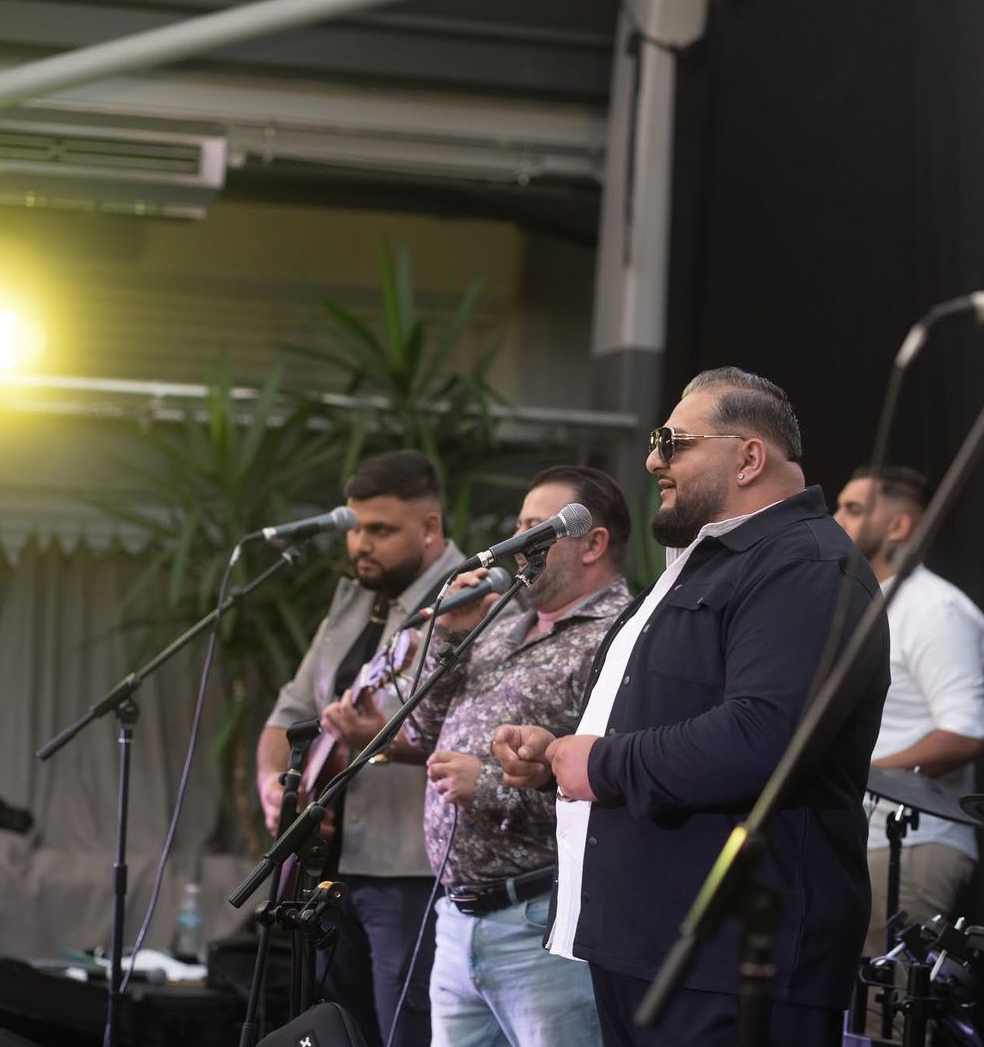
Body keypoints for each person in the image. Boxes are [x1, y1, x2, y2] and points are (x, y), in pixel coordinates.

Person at [492, 367, 890, 1047]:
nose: (653, 460)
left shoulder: (807, 564)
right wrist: (559, 749)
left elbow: (763, 736)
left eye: (673, 442)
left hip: (732, 969)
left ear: (748, 458)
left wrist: (602, 764)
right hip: (648, 949)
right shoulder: (705, 562)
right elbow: (666, 714)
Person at [398, 466, 631, 1047]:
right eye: (519, 526)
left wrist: (489, 786)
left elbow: (618, 787)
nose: (518, 543)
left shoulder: (618, 637)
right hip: (458, 916)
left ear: (593, 544)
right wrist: (452, 634)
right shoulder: (502, 625)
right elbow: (420, 729)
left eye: (537, 530)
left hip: (539, 921)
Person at [257, 450, 464, 1046]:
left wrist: (379, 738)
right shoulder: (353, 599)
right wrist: (272, 783)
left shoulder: (472, 600)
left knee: (403, 1032)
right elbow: (291, 710)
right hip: (329, 865)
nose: (361, 545)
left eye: (381, 530)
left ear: (429, 527)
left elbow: (475, 732)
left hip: (410, 869)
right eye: (354, 528)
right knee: (332, 1031)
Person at [833, 466, 984, 955]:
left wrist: (858, 774)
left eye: (853, 509)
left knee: (891, 999)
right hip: (856, 842)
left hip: (912, 846)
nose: (835, 519)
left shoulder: (935, 609)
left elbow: (963, 733)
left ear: (898, 526)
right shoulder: (859, 602)